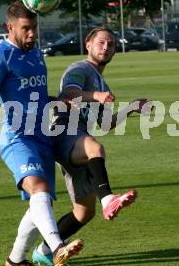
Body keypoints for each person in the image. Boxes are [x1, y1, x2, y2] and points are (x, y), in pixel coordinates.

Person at [0, 0, 84, 266]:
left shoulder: (36, 53)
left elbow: (34, 94)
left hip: (42, 135)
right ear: (9, 27)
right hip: (16, 136)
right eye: (26, 29)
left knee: (40, 199)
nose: (32, 34)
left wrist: (59, 101)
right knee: (39, 188)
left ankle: (15, 260)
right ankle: (57, 247)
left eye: (34, 27)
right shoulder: (1, 55)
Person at [31, 27, 150, 265]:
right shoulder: (80, 68)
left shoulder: (102, 82)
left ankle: (43, 252)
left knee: (84, 213)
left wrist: (131, 108)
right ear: (88, 44)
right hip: (64, 130)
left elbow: (105, 123)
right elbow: (69, 92)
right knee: (96, 149)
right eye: (102, 43)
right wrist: (95, 95)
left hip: (78, 137)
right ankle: (108, 200)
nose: (106, 48)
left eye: (112, 45)